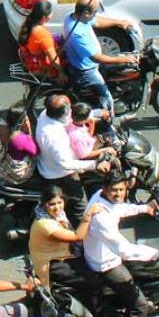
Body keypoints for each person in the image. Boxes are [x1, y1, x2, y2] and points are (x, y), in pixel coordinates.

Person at [83, 169, 159, 317]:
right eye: (114, 190)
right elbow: (124, 250)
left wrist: (145, 208)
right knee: (140, 306)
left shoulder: (101, 197)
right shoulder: (101, 217)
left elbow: (120, 209)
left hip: (105, 251)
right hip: (106, 263)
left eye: (121, 189)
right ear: (105, 188)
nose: (118, 193)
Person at [35, 92, 110, 224]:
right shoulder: (54, 136)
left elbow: (75, 116)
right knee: (80, 206)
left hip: (58, 158)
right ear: (63, 112)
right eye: (69, 107)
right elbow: (66, 164)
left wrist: (98, 113)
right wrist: (95, 164)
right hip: (60, 174)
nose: (72, 108)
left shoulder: (47, 114)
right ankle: (81, 238)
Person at [61, 0, 137, 112]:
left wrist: (119, 22)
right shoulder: (77, 32)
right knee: (107, 100)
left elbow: (96, 21)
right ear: (86, 13)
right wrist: (125, 59)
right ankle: (109, 122)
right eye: (94, 12)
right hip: (86, 70)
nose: (95, 14)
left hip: (86, 62)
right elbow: (96, 58)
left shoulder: (73, 16)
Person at [0, 107, 38, 188]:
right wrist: (29, 132)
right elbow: (35, 152)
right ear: (23, 121)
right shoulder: (22, 139)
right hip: (15, 177)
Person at [17, 0, 61, 80]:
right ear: (44, 17)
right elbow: (54, 60)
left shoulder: (27, 23)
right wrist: (62, 72)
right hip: (41, 66)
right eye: (51, 12)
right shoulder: (42, 34)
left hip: (29, 60)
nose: (52, 14)